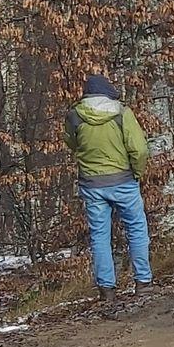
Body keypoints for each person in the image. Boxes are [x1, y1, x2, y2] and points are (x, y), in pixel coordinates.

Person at [66, 74, 152, 303]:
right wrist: (137, 173)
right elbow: (139, 149)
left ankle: (107, 290)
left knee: (100, 237)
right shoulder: (122, 113)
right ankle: (143, 282)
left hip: (92, 184)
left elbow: (71, 143)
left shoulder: (75, 115)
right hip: (124, 181)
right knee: (136, 230)